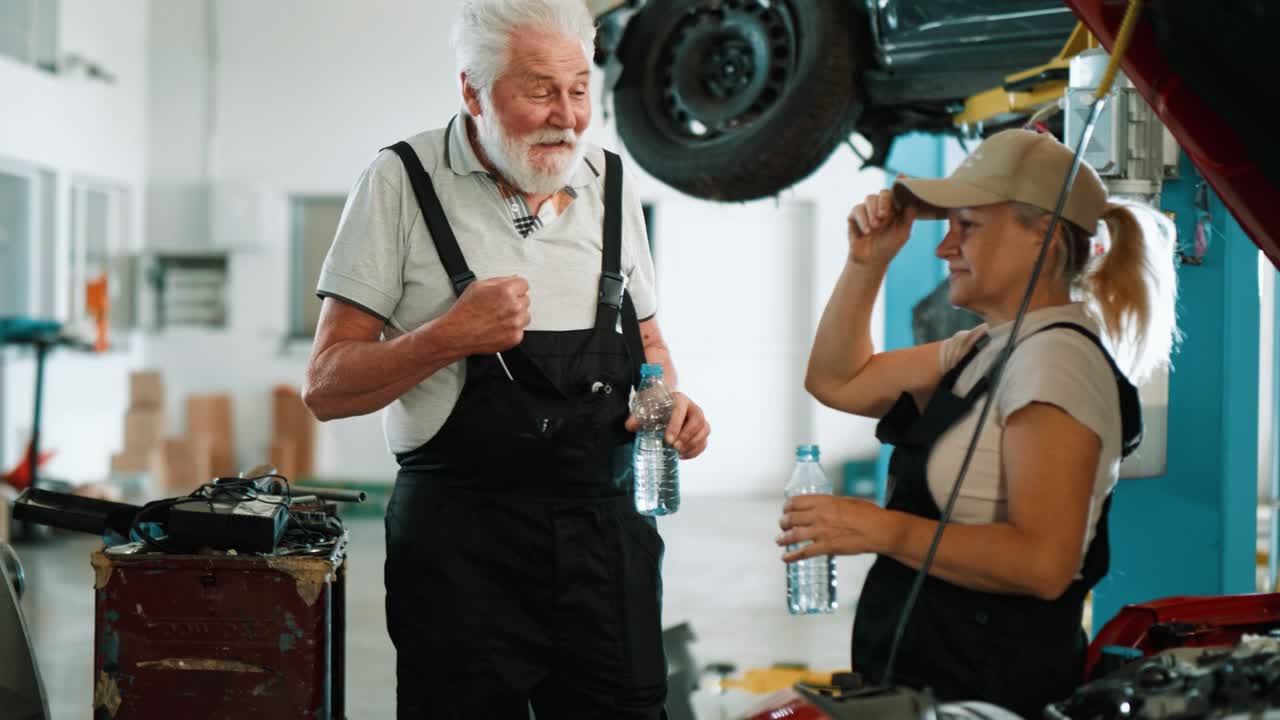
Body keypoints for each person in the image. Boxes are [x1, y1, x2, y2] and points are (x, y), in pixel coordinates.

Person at [301, 1, 709, 717]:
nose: (567, 116)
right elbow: (327, 387)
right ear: (472, 90)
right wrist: (449, 335)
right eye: (539, 90)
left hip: (606, 542)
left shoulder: (613, 185)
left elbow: (649, 349)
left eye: (579, 89)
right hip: (463, 547)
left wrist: (666, 407)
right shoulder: (400, 182)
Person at [777, 129, 1179, 717]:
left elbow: (1045, 565)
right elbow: (838, 380)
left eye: (967, 226)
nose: (945, 249)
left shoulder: (1056, 361)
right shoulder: (987, 348)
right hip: (938, 681)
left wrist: (880, 530)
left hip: (993, 696)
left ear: (1042, 235)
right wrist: (867, 264)